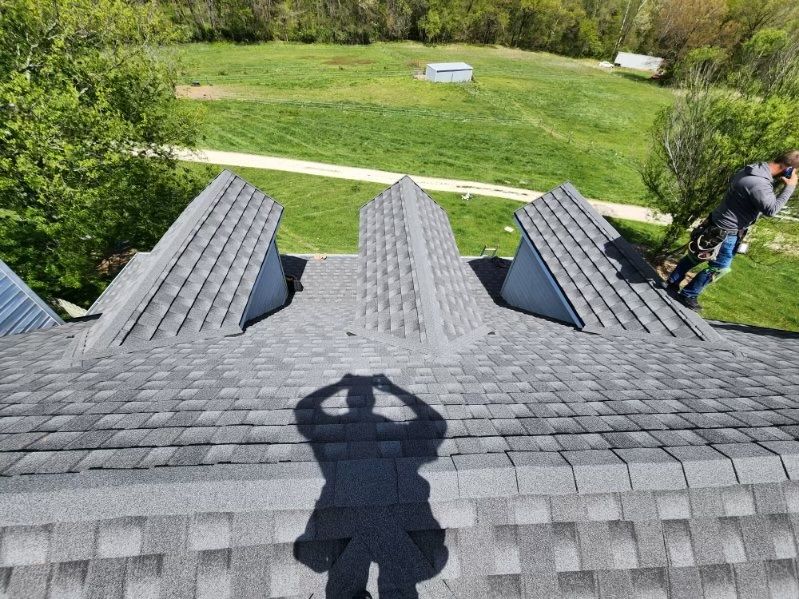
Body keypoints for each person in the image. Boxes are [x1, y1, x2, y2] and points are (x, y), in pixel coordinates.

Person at [664, 151, 799, 311]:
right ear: (789, 169)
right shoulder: (760, 184)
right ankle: (689, 294)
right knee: (720, 267)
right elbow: (771, 210)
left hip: (715, 221)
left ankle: (672, 281)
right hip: (726, 231)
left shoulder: (752, 168)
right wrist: (790, 187)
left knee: (696, 256)